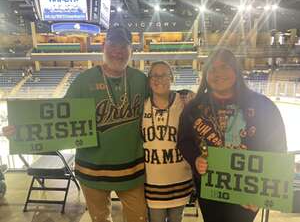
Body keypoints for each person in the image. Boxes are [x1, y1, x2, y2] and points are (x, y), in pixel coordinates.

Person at [2, 26, 148, 222]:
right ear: (103, 47)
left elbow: (164, 105)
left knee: (139, 218)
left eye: (124, 46)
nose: (118, 52)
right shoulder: (84, 80)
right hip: (91, 171)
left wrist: (187, 98)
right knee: (100, 219)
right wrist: (20, 130)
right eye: (113, 45)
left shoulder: (141, 80)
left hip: (132, 171)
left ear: (131, 50)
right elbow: (58, 119)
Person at [177, 48, 287, 222]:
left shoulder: (263, 106)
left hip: (247, 191)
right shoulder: (193, 108)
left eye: (224, 67)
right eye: (212, 69)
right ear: (205, 74)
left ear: (236, 70)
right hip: (209, 189)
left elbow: (277, 150)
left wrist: (262, 192)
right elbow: (184, 141)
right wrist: (195, 158)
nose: (218, 73)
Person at [142, 61, 193, 222]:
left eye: (164, 74)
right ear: (149, 80)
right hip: (153, 183)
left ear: (171, 77)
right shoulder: (142, 105)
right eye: (154, 75)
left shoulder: (184, 102)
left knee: (177, 219)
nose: (159, 79)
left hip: (180, 181)